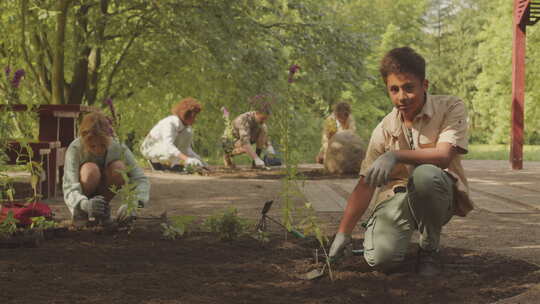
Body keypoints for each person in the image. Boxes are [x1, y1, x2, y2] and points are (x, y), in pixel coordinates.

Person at [328, 47, 473, 276]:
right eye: (394, 89)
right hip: (398, 198)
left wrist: (395, 155)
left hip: (437, 195)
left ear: (424, 85)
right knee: (380, 260)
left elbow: (444, 155)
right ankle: (396, 241)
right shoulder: (384, 129)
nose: (401, 97)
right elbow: (366, 184)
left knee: (425, 175)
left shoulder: (450, 107)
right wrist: (342, 234)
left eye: (408, 88)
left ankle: (429, 250)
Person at [63, 112, 150, 226]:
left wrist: (134, 203)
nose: (98, 150)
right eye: (93, 146)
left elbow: (140, 179)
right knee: (90, 170)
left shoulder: (118, 145)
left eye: (103, 145)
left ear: (109, 138)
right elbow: (69, 185)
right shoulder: (75, 148)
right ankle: (81, 214)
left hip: (105, 188)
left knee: (119, 168)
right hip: (83, 200)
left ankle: (102, 210)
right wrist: (84, 204)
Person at [140, 97, 207, 171]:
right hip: (151, 149)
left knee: (182, 164)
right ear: (186, 114)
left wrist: (203, 164)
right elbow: (168, 146)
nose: (195, 119)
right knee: (169, 155)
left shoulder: (187, 129)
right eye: (194, 116)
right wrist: (186, 159)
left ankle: (169, 166)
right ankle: (156, 163)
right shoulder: (170, 123)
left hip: (166, 152)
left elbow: (186, 149)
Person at [222, 97, 276, 169]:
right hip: (230, 141)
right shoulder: (244, 120)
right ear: (257, 113)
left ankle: (255, 164)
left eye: (266, 119)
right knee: (245, 148)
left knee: (263, 129)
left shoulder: (259, 121)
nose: (264, 121)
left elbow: (263, 133)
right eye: (262, 118)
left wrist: (269, 145)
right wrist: (256, 158)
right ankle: (227, 156)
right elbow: (245, 142)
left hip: (244, 139)